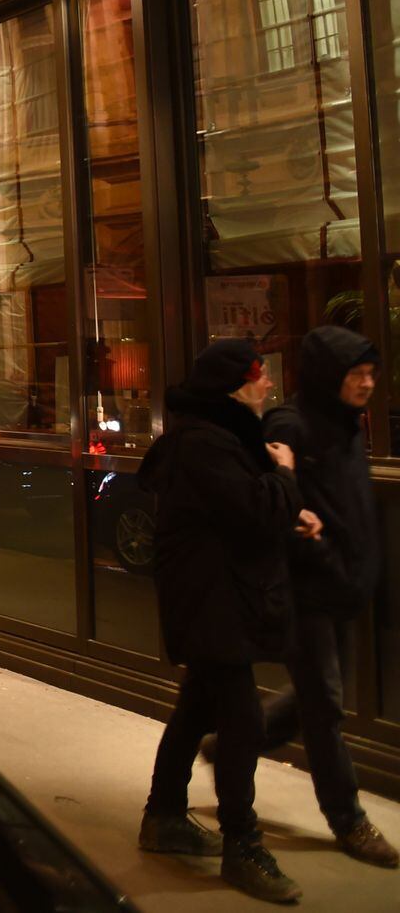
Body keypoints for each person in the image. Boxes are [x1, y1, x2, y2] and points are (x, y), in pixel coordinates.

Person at [137, 339, 310, 903]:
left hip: (216, 598)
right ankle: (243, 845)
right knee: (242, 723)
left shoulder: (214, 438)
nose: (267, 386)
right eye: (260, 377)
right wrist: (285, 476)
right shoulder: (205, 443)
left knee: (195, 708)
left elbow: (239, 507)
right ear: (238, 386)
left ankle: (164, 816)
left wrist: (290, 505)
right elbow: (253, 510)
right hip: (213, 602)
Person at [256, 327, 396, 867]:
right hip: (305, 590)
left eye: (370, 374)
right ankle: (349, 821)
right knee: (327, 706)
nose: (367, 383)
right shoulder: (290, 426)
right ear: (325, 375)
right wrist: (313, 547)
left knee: (315, 698)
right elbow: (276, 499)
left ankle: (231, 747)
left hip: (341, 584)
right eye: (355, 374)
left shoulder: (345, 425)